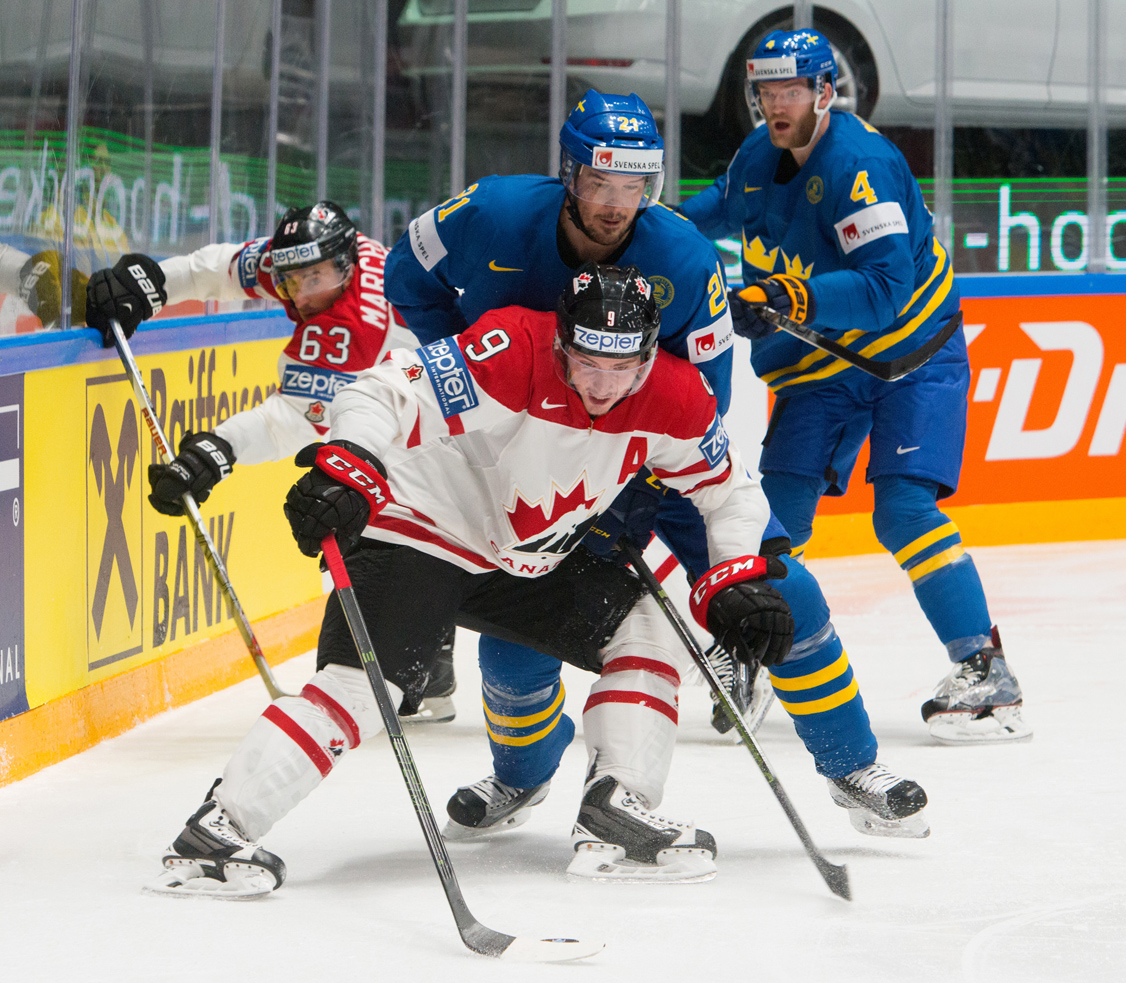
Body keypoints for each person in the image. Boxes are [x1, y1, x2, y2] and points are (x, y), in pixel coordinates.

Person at [149, 263, 795, 894]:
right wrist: (349, 463)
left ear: (648, 358)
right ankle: (221, 825)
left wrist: (739, 577)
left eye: (621, 368)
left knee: (655, 627)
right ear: (562, 342)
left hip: (525, 560)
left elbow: (730, 491)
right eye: (588, 364)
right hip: (421, 526)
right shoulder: (514, 347)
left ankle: (619, 802)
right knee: (365, 689)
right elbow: (380, 390)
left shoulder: (674, 396)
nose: (601, 386)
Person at [385, 91, 930, 830]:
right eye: (602, 184)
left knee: (781, 590)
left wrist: (633, 492)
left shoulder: (683, 257)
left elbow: (705, 399)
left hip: (647, 454)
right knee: (519, 638)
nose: (617, 205)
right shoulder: (493, 211)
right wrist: (477, 382)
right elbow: (406, 278)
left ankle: (850, 761)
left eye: (635, 187)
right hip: (527, 450)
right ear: (569, 174)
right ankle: (521, 775)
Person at [680, 28, 1031, 745]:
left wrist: (785, 298)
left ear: (823, 92)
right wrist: (647, 231)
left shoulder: (860, 162)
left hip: (911, 359)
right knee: (771, 521)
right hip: (819, 369)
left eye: (789, 91)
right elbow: (717, 207)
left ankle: (985, 669)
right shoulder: (758, 153)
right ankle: (755, 654)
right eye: (764, 92)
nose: (775, 105)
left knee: (902, 509)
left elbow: (884, 290)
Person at [83, 202, 456, 722]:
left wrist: (219, 449)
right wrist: (154, 282)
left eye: (315, 279)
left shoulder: (355, 325)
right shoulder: (308, 261)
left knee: (378, 520)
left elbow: (298, 422)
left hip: (437, 421)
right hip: (409, 398)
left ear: (346, 266)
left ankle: (419, 664)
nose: (302, 293)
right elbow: (221, 267)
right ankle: (427, 663)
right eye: (292, 279)